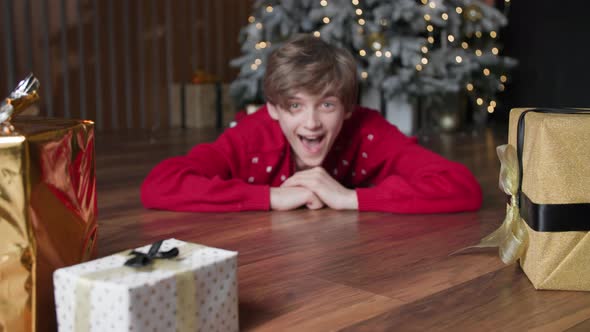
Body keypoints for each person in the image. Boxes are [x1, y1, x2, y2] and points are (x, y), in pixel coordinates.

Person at [141, 34, 482, 213]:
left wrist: (348, 199)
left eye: (328, 104)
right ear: (274, 109)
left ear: (348, 107)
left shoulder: (367, 130)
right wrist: (272, 197)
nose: (312, 122)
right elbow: (160, 184)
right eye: (295, 106)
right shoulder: (253, 135)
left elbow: (461, 186)